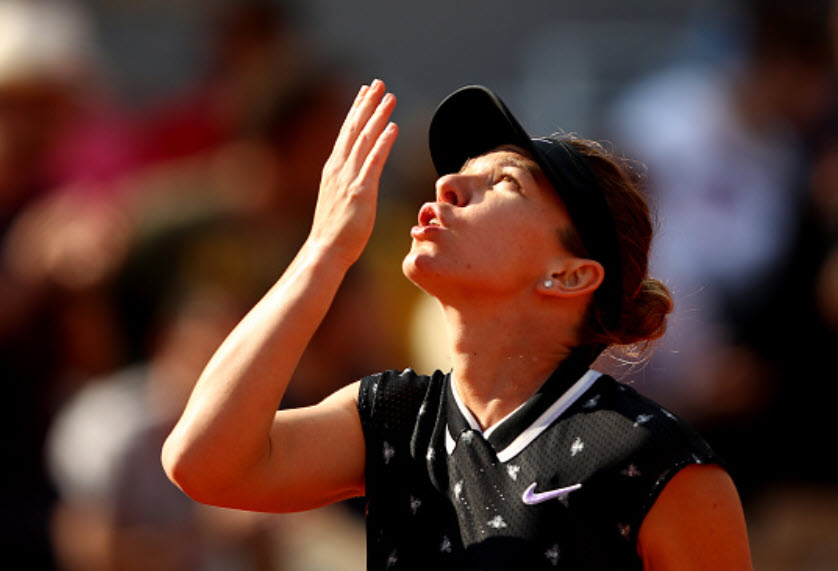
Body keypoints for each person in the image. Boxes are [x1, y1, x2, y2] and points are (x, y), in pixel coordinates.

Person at [162, 79, 753, 570]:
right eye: (462, 172)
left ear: (569, 276)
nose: (448, 184)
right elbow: (203, 463)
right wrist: (324, 251)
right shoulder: (396, 416)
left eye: (504, 182)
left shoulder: (658, 460)